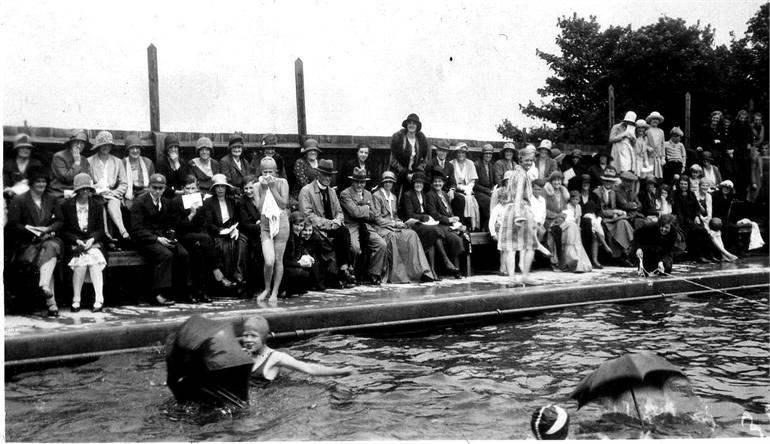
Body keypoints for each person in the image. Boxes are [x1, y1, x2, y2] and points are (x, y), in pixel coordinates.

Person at [6, 165, 64, 316]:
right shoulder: (20, 199)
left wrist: (49, 229)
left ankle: (44, 286)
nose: (41, 185)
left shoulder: (51, 198)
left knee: (52, 245)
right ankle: (51, 302)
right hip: (28, 243)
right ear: (31, 183)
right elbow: (12, 225)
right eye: (38, 182)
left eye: (44, 182)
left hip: (48, 237)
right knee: (50, 253)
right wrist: (30, 230)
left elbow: (60, 220)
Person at [130, 173, 191, 306]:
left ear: (164, 188)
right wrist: (157, 239)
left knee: (183, 253)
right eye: (155, 188)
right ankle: (158, 293)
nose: (157, 191)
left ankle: (181, 291)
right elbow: (136, 229)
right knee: (165, 255)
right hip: (145, 240)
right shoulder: (139, 203)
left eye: (161, 188)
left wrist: (171, 237)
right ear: (149, 187)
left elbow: (169, 224)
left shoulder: (166, 202)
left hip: (162, 238)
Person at [240, 316, 354, 382]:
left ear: (263, 337)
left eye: (253, 336)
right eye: (245, 335)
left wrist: (338, 371)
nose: (248, 340)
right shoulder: (241, 355)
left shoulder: (275, 357)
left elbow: (309, 368)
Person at [298, 159, 356, 286]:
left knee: (344, 232)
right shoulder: (306, 191)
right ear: (318, 174)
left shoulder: (332, 192)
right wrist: (330, 224)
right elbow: (308, 216)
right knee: (340, 236)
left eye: (330, 175)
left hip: (332, 227)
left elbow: (340, 212)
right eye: (325, 174)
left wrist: (337, 221)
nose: (328, 178)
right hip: (316, 229)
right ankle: (341, 273)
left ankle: (343, 268)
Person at [371, 171, 434, 283]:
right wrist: (395, 224)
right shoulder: (377, 196)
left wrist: (402, 222)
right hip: (382, 227)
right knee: (393, 237)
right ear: (382, 183)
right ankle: (399, 275)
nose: (388, 184)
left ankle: (421, 271)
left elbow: (395, 216)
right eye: (386, 182)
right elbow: (377, 218)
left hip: (393, 225)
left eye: (390, 182)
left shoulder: (394, 197)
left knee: (412, 234)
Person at [57, 173, 107, 312]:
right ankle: (76, 299)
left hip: (92, 242)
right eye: (82, 189)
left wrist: (91, 239)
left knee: (94, 258)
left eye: (88, 189)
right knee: (81, 258)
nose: (86, 192)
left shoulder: (96, 205)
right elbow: (64, 230)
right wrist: (77, 240)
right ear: (77, 191)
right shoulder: (67, 206)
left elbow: (100, 229)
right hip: (74, 243)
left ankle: (99, 299)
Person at [400, 171, 462, 279]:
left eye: (421, 183)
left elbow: (428, 211)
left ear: (423, 185)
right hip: (413, 224)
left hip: (425, 225)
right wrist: (423, 217)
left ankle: (432, 271)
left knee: (433, 236)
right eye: (416, 183)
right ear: (413, 184)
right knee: (434, 231)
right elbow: (410, 214)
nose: (419, 185)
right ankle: (446, 261)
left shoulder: (423, 195)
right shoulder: (408, 195)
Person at [167, 175, 215, 303]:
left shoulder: (201, 201)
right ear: (183, 189)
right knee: (207, 241)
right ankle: (190, 291)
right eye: (187, 188)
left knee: (200, 253)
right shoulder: (176, 202)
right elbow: (177, 227)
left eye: (193, 188)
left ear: (197, 188)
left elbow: (204, 223)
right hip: (182, 236)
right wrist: (191, 214)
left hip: (197, 236)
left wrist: (199, 239)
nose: (190, 191)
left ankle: (201, 291)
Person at [339, 167, 387, 284]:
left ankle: (373, 273)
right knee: (355, 248)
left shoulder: (368, 194)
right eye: (357, 181)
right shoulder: (345, 194)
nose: (359, 184)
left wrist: (362, 210)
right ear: (352, 181)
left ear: (365, 183)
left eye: (362, 182)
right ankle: (350, 274)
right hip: (351, 225)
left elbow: (374, 214)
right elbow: (353, 212)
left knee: (381, 244)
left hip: (366, 224)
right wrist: (366, 207)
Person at [252, 158, 290, 301]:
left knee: (278, 260)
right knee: (269, 261)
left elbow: (283, 204)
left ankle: (274, 292)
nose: (268, 175)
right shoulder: (257, 186)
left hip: (281, 222)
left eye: (271, 172)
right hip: (266, 224)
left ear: (276, 172)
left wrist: (273, 188)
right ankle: (267, 288)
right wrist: (264, 189)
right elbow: (260, 208)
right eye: (265, 172)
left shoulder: (282, 182)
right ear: (260, 172)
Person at [498, 165, 541, 286]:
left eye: (531, 161)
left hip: (510, 209)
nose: (529, 163)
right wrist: (518, 215)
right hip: (520, 210)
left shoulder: (514, 174)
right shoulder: (521, 175)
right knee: (530, 244)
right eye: (526, 160)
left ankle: (512, 278)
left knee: (511, 247)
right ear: (521, 160)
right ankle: (524, 276)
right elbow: (518, 197)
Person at [203, 174, 248, 290]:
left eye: (223, 186)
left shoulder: (232, 201)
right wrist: (221, 231)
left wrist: (234, 228)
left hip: (231, 229)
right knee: (224, 245)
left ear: (226, 188)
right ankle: (224, 280)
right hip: (217, 231)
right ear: (214, 188)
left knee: (242, 241)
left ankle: (239, 277)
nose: (220, 189)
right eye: (217, 187)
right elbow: (208, 223)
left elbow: (237, 218)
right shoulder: (209, 202)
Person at [87, 131, 130, 246]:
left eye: (108, 145)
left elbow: (124, 183)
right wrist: (95, 188)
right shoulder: (89, 161)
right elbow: (86, 182)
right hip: (95, 194)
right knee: (101, 204)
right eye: (103, 144)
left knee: (113, 202)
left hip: (111, 194)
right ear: (98, 146)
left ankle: (122, 231)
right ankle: (107, 235)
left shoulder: (118, 162)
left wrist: (114, 192)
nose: (106, 147)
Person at [544, 172, 591, 272]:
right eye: (555, 180)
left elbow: (565, 210)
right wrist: (556, 216)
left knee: (573, 227)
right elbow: (543, 210)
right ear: (551, 181)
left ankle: (575, 260)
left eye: (559, 180)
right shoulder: (546, 192)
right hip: (549, 221)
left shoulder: (563, 193)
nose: (557, 182)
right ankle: (558, 261)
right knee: (565, 228)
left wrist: (563, 216)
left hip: (561, 221)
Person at [593, 167, 635, 264]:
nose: (609, 183)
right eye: (607, 181)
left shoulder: (613, 192)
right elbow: (599, 210)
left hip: (612, 219)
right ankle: (619, 256)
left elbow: (615, 207)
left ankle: (626, 251)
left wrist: (617, 213)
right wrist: (615, 212)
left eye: (611, 181)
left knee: (623, 222)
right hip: (601, 218)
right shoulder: (597, 192)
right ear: (603, 181)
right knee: (614, 227)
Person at [671, 175, 713, 263]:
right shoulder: (675, 194)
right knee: (697, 231)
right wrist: (681, 223)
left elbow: (697, 207)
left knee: (703, 231)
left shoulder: (691, 194)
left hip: (692, 219)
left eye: (685, 184)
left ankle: (709, 255)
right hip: (681, 221)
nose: (683, 185)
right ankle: (699, 256)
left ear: (688, 185)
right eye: (681, 184)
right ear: (679, 184)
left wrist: (697, 216)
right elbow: (678, 211)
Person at [576, 174, 611, 268]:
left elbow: (599, 211)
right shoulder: (577, 194)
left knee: (594, 227)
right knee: (590, 224)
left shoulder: (594, 196)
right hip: (580, 220)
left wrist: (598, 220)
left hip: (593, 221)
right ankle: (603, 244)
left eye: (587, 183)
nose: (585, 184)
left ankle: (595, 260)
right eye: (583, 182)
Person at [389, 113, 431, 193]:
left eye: (414, 123)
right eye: (409, 123)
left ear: (417, 126)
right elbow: (393, 161)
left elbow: (425, 160)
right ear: (406, 125)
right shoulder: (398, 139)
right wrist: (405, 173)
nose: (411, 125)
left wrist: (416, 173)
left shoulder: (421, 141)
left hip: (415, 174)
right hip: (400, 173)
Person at [282, 211, 319, 295]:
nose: (299, 228)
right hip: (285, 267)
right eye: (296, 225)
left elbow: (300, 248)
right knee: (302, 273)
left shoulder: (296, 236)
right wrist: (299, 265)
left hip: (292, 263)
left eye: (301, 225)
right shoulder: (287, 237)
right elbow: (284, 260)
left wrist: (307, 255)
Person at [237, 175, 264, 292]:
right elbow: (244, 224)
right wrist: (258, 226)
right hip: (250, 233)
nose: (248, 191)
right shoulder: (241, 202)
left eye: (251, 188)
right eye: (246, 188)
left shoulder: (263, 197)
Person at [50, 128, 91, 201]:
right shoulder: (59, 157)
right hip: (61, 194)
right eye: (76, 142)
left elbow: (85, 179)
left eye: (82, 143)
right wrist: (77, 163)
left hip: (78, 194)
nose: (79, 146)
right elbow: (66, 178)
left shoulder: (84, 160)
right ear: (71, 143)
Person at [427, 139, 465, 219]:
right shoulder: (430, 164)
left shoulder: (450, 165)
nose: (442, 153)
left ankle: (458, 223)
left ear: (447, 153)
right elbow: (428, 182)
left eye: (445, 151)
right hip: (434, 192)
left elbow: (453, 182)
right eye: (440, 150)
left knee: (460, 199)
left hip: (447, 192)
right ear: (437, 151)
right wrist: (439, 192)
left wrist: (452, 190)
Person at [3, 133, 43, 201]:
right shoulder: (8, 164)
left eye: (28, 148)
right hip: (10, 196)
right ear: (16, 149)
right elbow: (4, 183)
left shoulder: (36, 164)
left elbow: (40, 183)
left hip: (31, 197)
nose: (26, 150)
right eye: (22, 147)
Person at [451, 142, 481, 230]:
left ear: (466, 154)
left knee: (471, 200)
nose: (461, 154)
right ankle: (462, 223)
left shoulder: (470, 163)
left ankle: (472, 226)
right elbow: (452, 181)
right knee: (463, 199)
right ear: (456, 153)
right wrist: (461, 188)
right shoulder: (451, 163)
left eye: (463, 153)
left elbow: (473, 180)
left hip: (468, 190)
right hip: (456, 189)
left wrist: (468, 188)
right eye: (459, 152)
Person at [123, 134, 156, 210]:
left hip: (145, 192)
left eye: (137, 148)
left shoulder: (148, 162)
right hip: (128, 194)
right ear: (128, 150)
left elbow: (152, 181)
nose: (135, 151)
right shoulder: (122, 163)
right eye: (132, 148)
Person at [155, 134, 191, 199]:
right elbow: (161, 184)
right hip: (167, 195)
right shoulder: (161, 163)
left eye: (175, 147)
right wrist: (176, 192)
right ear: (167, 150)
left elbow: (184, 180)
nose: (173, 149)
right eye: (171, 147)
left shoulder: (182, 162)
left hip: (183, 193)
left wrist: (176, 163)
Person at [474, 144, 495, 230]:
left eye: (490, 154)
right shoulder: (477, 165)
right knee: (488, 201)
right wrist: (488, 191)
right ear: (482, 154)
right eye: (486, 153)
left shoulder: (491, 165)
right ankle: (485, 227)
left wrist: (493, 189)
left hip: (489, 191)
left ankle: (490, 226)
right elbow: (475, 185)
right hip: (478, 191)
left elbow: (492, 182)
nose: (488, 155)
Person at [645, 111, 666, 179]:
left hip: (658, 157)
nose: (655, 121)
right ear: (650, 120)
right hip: (649, 157)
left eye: (657, 119)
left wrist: (663, 157)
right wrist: (647, 147)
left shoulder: (661, 131)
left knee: (658, 177)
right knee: (649, 176)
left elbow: (663, 145)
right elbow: (643, 143)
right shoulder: (647, 130)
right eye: (653, 119)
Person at [633, 119, 655, 185]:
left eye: (643, 128)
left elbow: (644, 151)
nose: (641, 129)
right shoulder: (634, 138)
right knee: (634, 178)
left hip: (641, 160)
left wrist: (646, 162)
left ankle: (636, 194)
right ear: (636, 129)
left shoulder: (644, 139)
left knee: (639, 179)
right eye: (639, 128)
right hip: (635, 160)